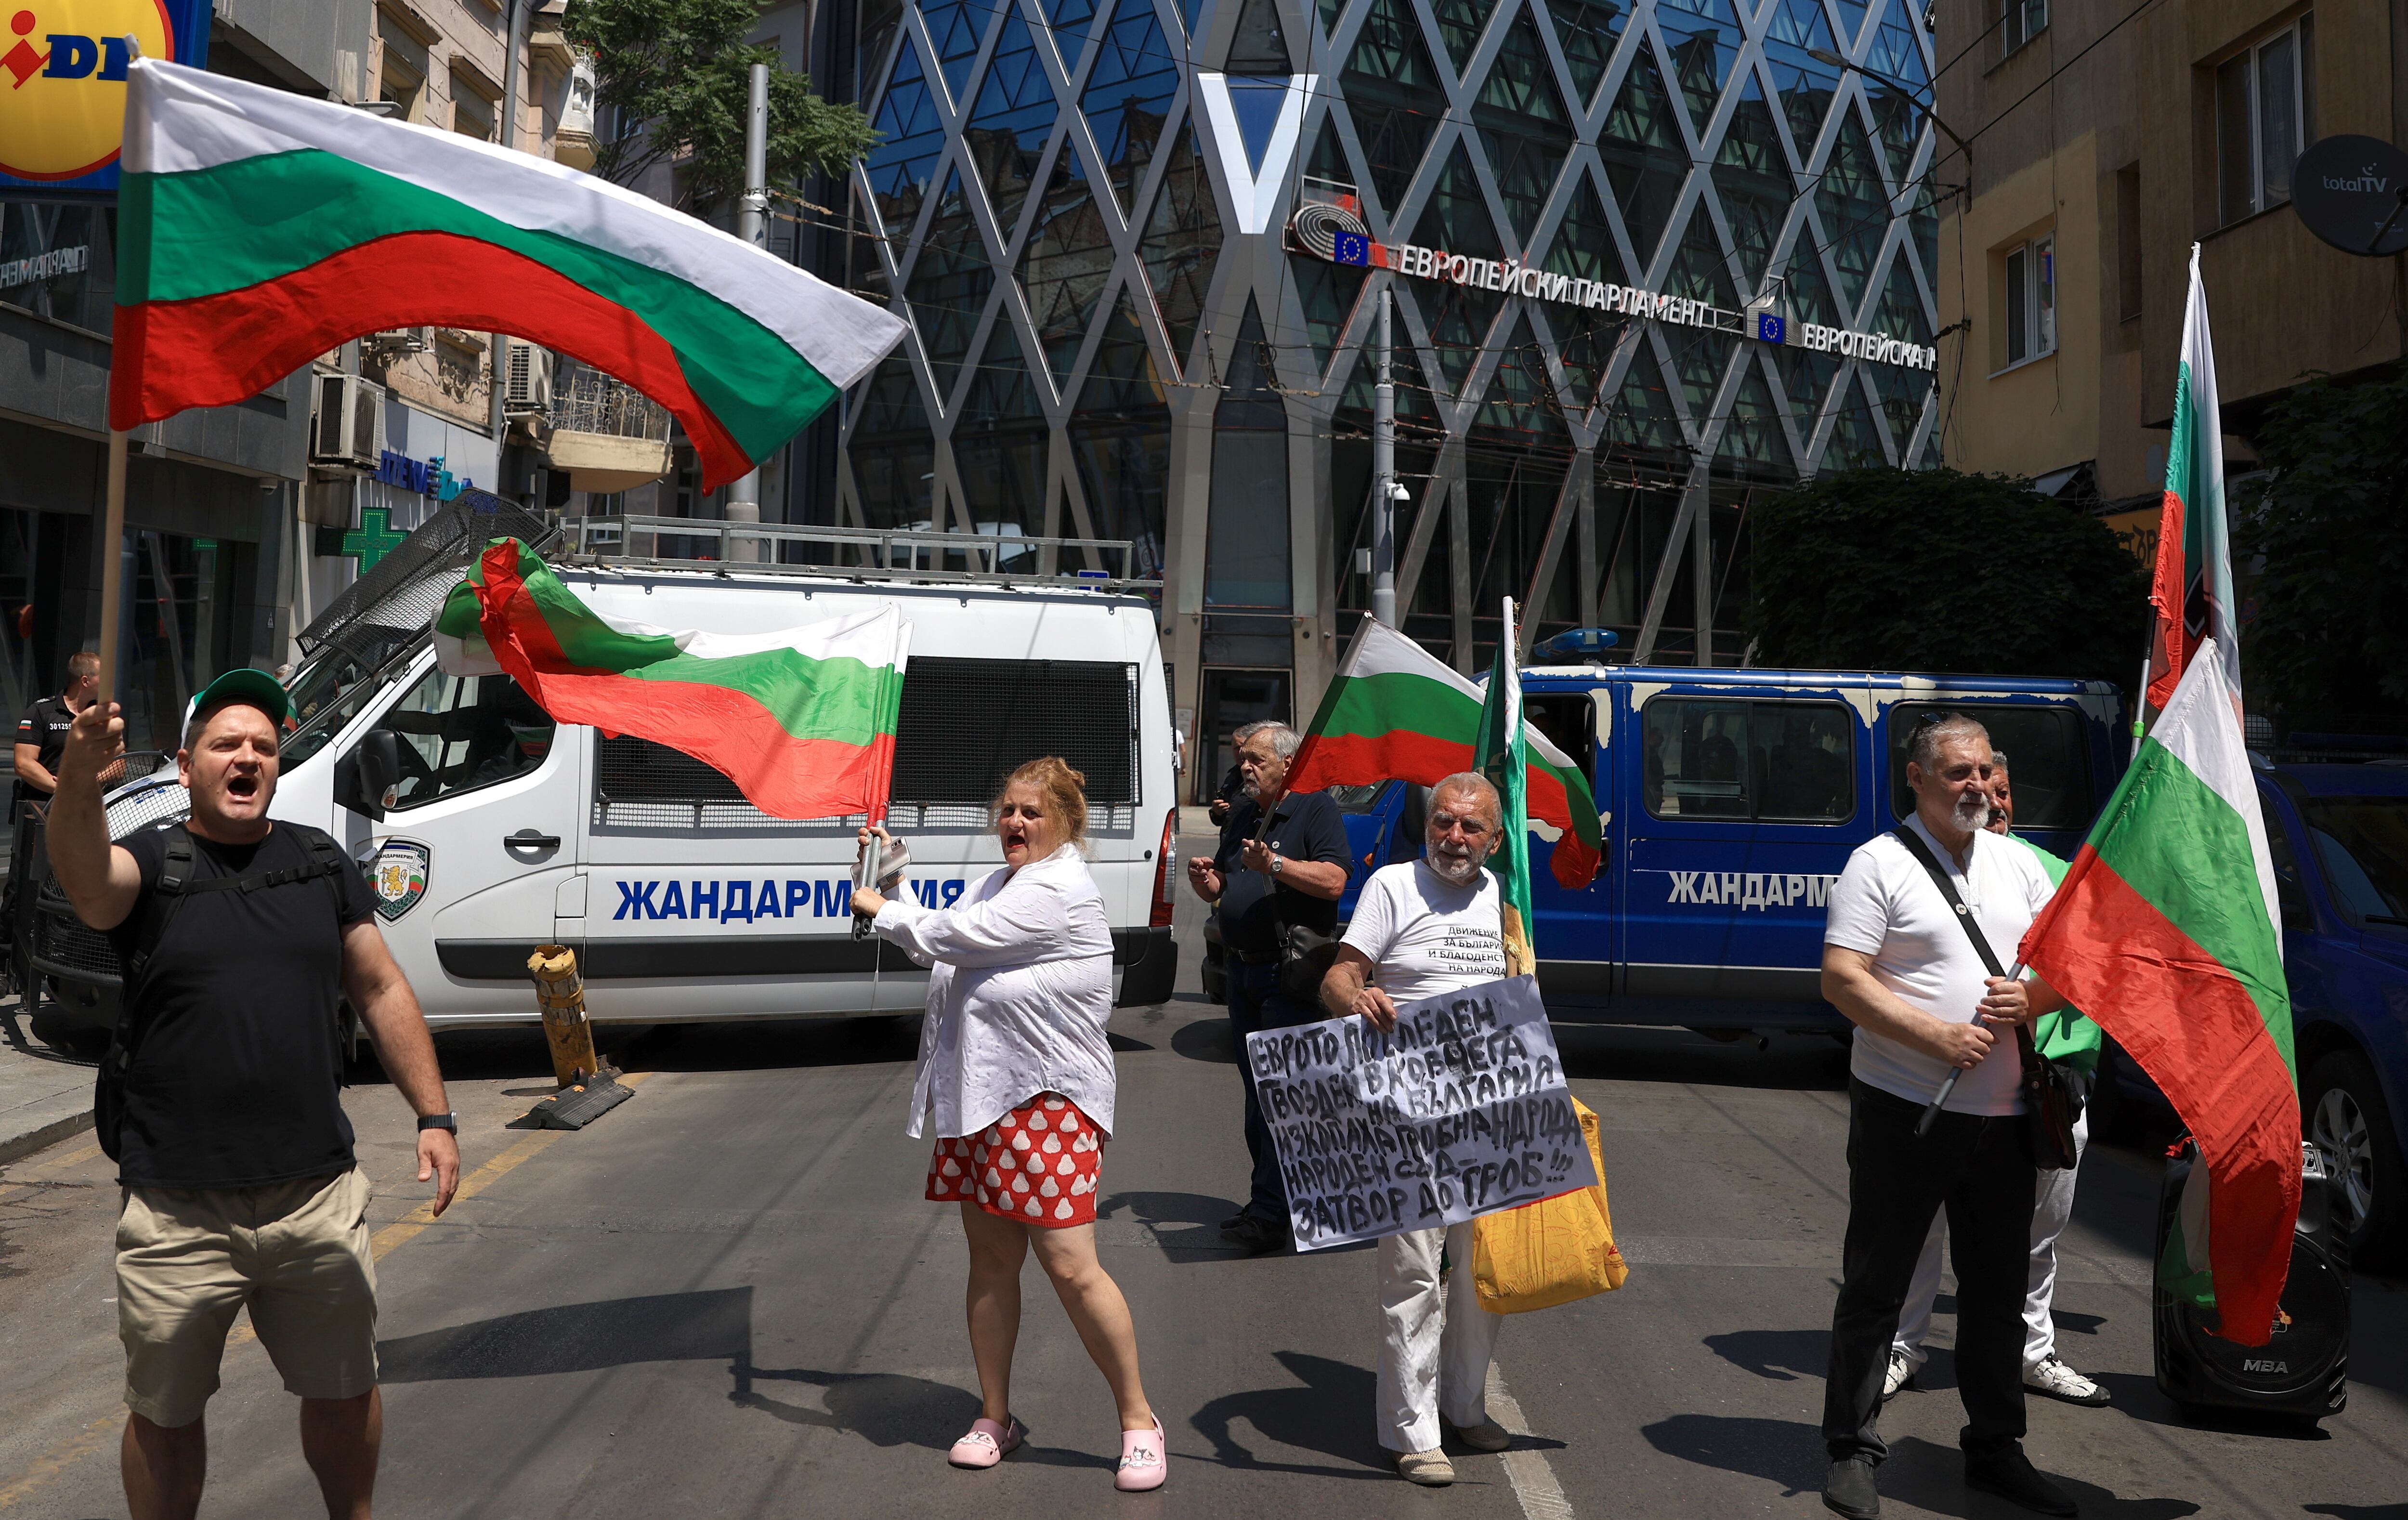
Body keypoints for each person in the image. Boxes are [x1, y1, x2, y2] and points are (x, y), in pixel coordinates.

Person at [46, 668, 462, 1520]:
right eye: (226, 744)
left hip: (315, 1195)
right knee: (165, 1412)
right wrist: (82, 781)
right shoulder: (157, 860)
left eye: (264, 747)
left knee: (346, 1388)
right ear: (189, 765)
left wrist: (436, 1114)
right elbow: (88, 881)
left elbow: (380, 989)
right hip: (177, 1207)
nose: (248, 758)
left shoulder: (319, 862)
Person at [853, 757, 1165, 1493]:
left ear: (1064, 824)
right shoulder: (1002, 885)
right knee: (992, 1264)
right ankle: (995, 1418)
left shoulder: (1055, 891)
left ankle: (1139, 1422)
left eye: (1031, 812)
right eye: (1008, 811)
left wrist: (882, 907)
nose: (1015, 823)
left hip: (1050, 1102)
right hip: (983, 1100)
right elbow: (945, 937)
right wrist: (895, 878)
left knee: (1070, 1266)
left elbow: (955, 938)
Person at [1818, 713, 2081, 1520]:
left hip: (2003, 1120)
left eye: (1983, 772)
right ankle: (1852, 1449)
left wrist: (2029, 996)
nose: (1974, 786)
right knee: (1878, 1285)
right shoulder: (1878, 865)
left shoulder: (2017, 864)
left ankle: (1997, 1450)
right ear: (1918, 779)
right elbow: (1842, 980)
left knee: (1998, 1293)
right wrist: (1935, 1035)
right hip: (1906, 1114)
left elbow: (2066, 969)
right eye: (1957, 772)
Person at [1886, 752, 2107, 1410]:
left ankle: (2032, 1353)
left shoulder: (2060, 880)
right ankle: (1903, 1348)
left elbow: (2094, 972)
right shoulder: (1919, 867)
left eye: (2005, 790)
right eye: (1983, 786)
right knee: (1919, 1226)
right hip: (1937, 1086)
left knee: (2036, 1234)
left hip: (2049, 1089)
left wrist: (2038, 1009)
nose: (1996, 800)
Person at [1319, 773, 1516, 1486]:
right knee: (1412, 1275)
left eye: (1470, 828)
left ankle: (1465, 1407)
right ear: (1428, 825)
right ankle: (1413, 1432)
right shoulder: (1393, 887)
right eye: (1444, 823)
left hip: (1487, 1115)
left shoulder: (1502, 896)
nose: (1454, 838)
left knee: (1479, 1277)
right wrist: (1358, 997)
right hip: (1405, 1112)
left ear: (1494, 839)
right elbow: (1338, 976)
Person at [1183, 722, 1350, 1255]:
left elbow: (1334, 880)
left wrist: (1275, 863)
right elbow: (1230, 885)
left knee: (1279, 1095)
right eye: (1241, 759)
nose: (1244, 768)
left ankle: (1271, 1215)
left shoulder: (1313, 808)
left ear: (1286, 762)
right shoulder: (1243, 813)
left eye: (1255, 759)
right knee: (1259, 1098)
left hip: (1288, 976)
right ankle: (1271, 1203)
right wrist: (1211, 884)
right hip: (1242, 974)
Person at [9, 651, 101, 981]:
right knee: (27, 887)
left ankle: (61, 960)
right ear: (85, 680)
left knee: (69, 888)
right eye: (102, 676)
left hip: (83, 818)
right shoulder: (43, 711)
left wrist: (95, 781)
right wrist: (60, 788)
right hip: (39, 816)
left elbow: (119, 761)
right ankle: (13, 964)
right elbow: (24, 763)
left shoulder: (100, 716)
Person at [1206, 720, 1270, 827]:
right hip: (1230, 840)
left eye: (1244, 746)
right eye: (1237, 748)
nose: (1241, 752)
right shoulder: (1232, 776)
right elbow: (1225, 818)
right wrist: (1216, 812)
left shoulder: (1261, 776)